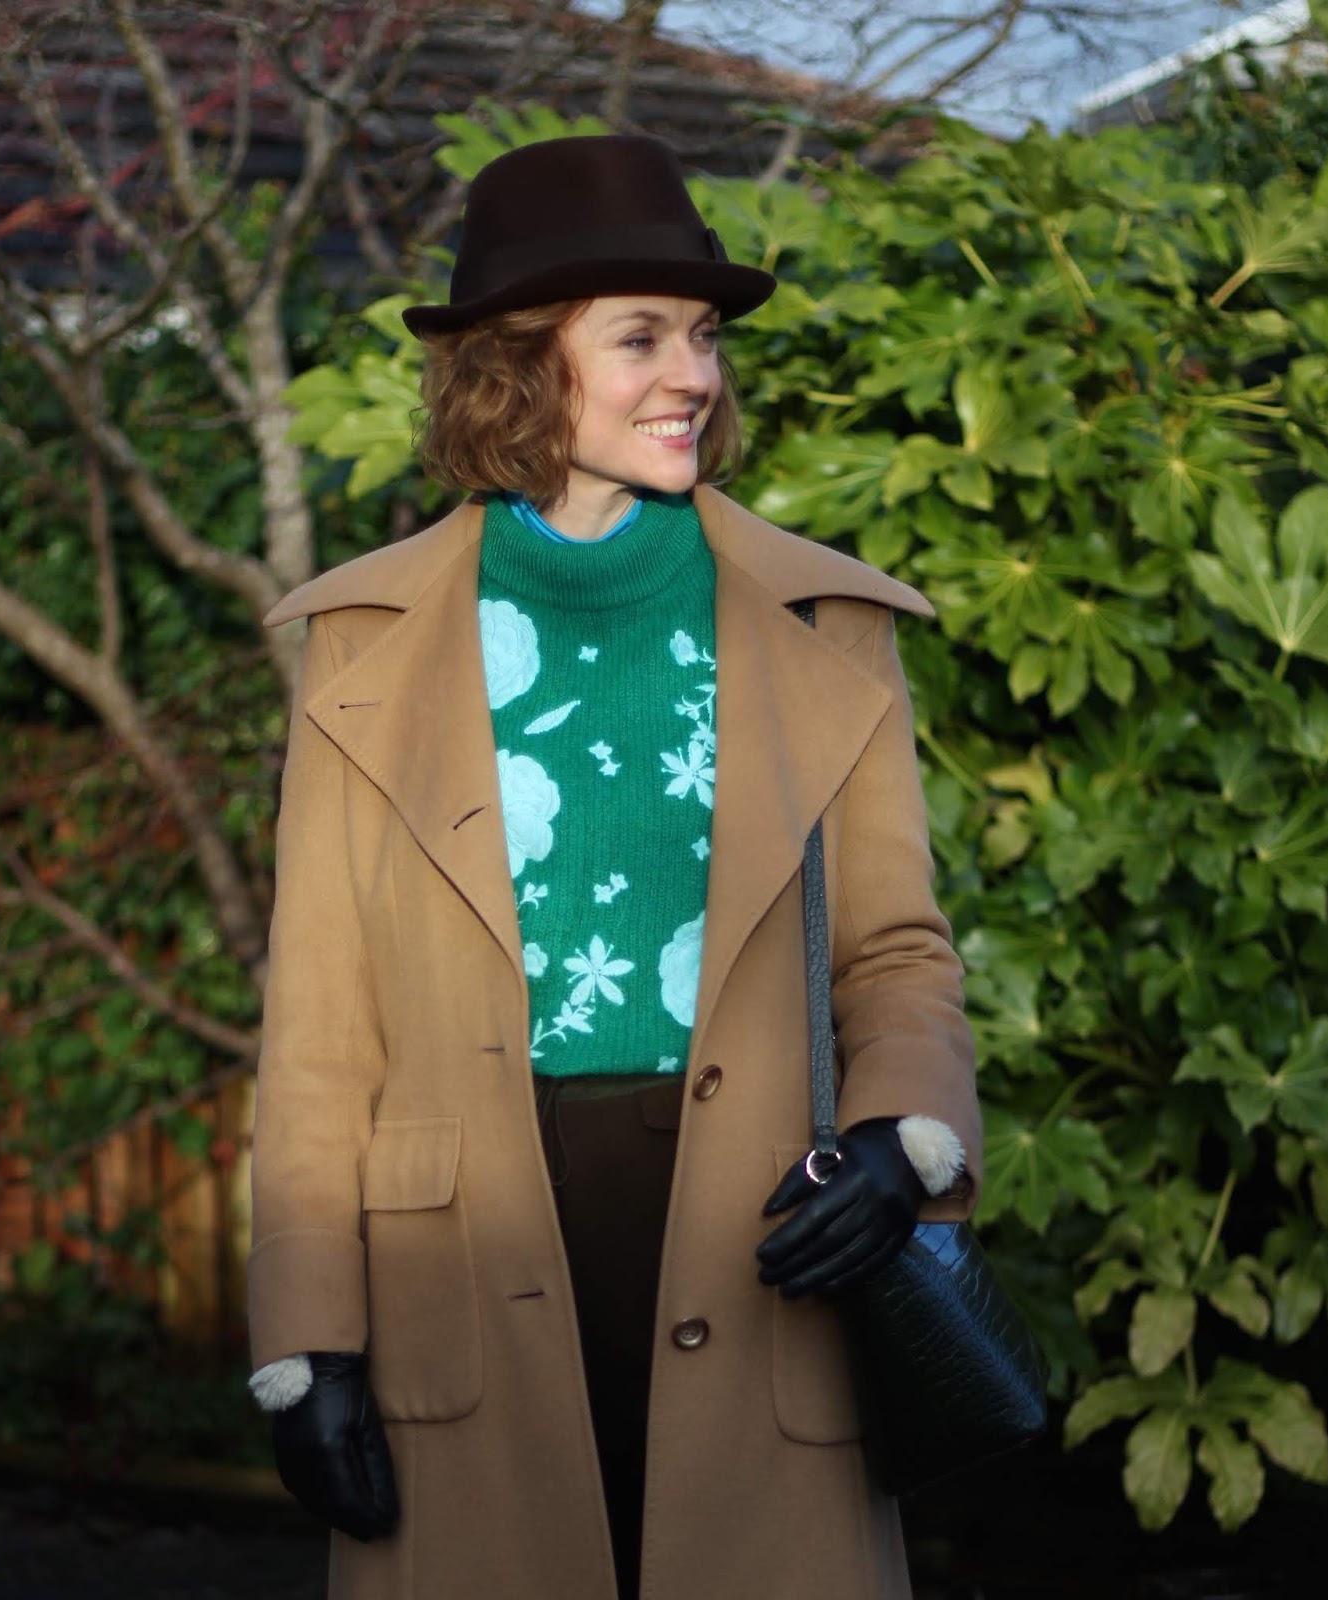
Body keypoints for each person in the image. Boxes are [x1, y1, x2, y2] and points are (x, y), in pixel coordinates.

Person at [243, 134, 981, 1600]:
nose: (692, 375)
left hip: (769, 1240)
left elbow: (896, 948)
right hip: (463, 1263)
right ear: (520, 367)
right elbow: (323, 1026)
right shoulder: (363, 640)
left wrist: (904, 1139)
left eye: (702, 336)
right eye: (640, 338)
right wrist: (304, 1340)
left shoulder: (823, 622)